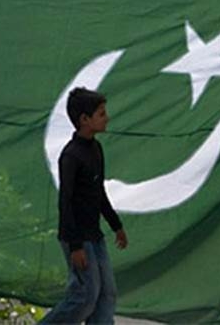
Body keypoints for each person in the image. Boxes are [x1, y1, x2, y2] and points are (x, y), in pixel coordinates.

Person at [40, 87, 128, 324]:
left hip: (94, 235)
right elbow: (65, 202)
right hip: (77, 236)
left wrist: (116, 226)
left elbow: (98, 192)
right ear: (84, 120)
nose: (107, 117)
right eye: (101, 114)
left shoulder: (96, 149)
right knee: (85, 296)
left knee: (106, 294)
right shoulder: (71, 156)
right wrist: (75, 245)